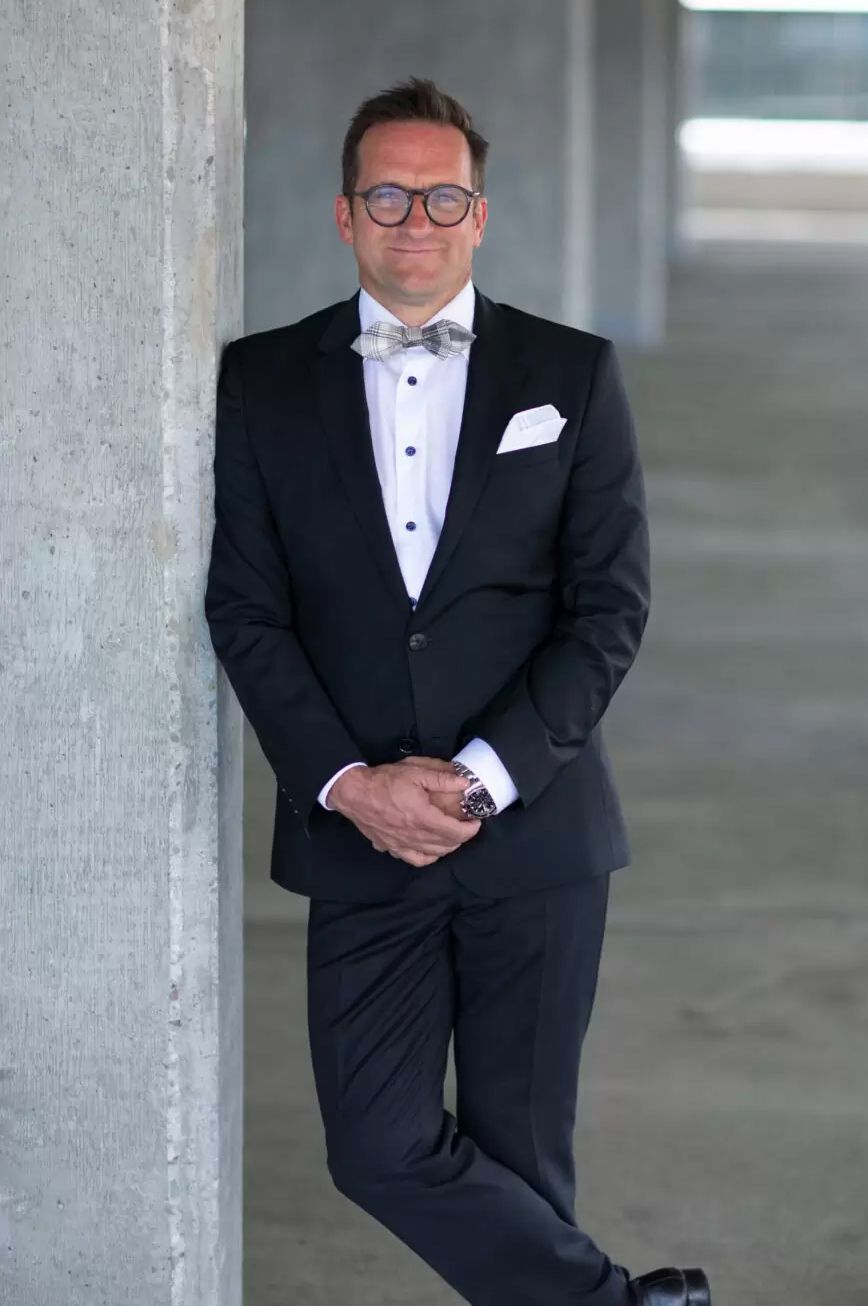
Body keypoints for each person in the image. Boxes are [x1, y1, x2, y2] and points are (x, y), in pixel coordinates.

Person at [204, 74, 709, 1306]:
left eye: (442, 197)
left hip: (534, 830)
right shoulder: (260, 382)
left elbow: (608, 608)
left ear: (479, 216)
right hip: (359, 830)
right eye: (388, 195)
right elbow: (247, 611)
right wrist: (349, 784)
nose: (414, 220)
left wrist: (482, 780)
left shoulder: (571, 373)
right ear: (344, 214)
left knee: (521, 1159)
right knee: (375, 1144)